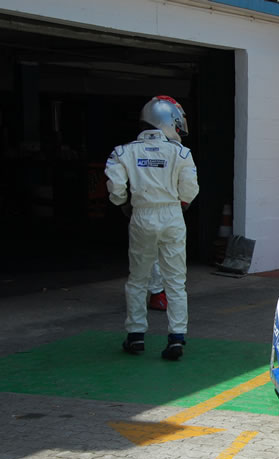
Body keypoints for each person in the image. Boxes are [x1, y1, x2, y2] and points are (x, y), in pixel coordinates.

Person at [106, 95, 199, 361]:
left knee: (138, 279)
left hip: (142, 215)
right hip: (171, 215)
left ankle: (136, 335)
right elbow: (190, 189)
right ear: (168, 120)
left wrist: (123, 203)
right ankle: (176, 338)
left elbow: (115, 187)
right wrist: (179, 204)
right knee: (175, 281)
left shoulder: (123, 152)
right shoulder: (181, 153)